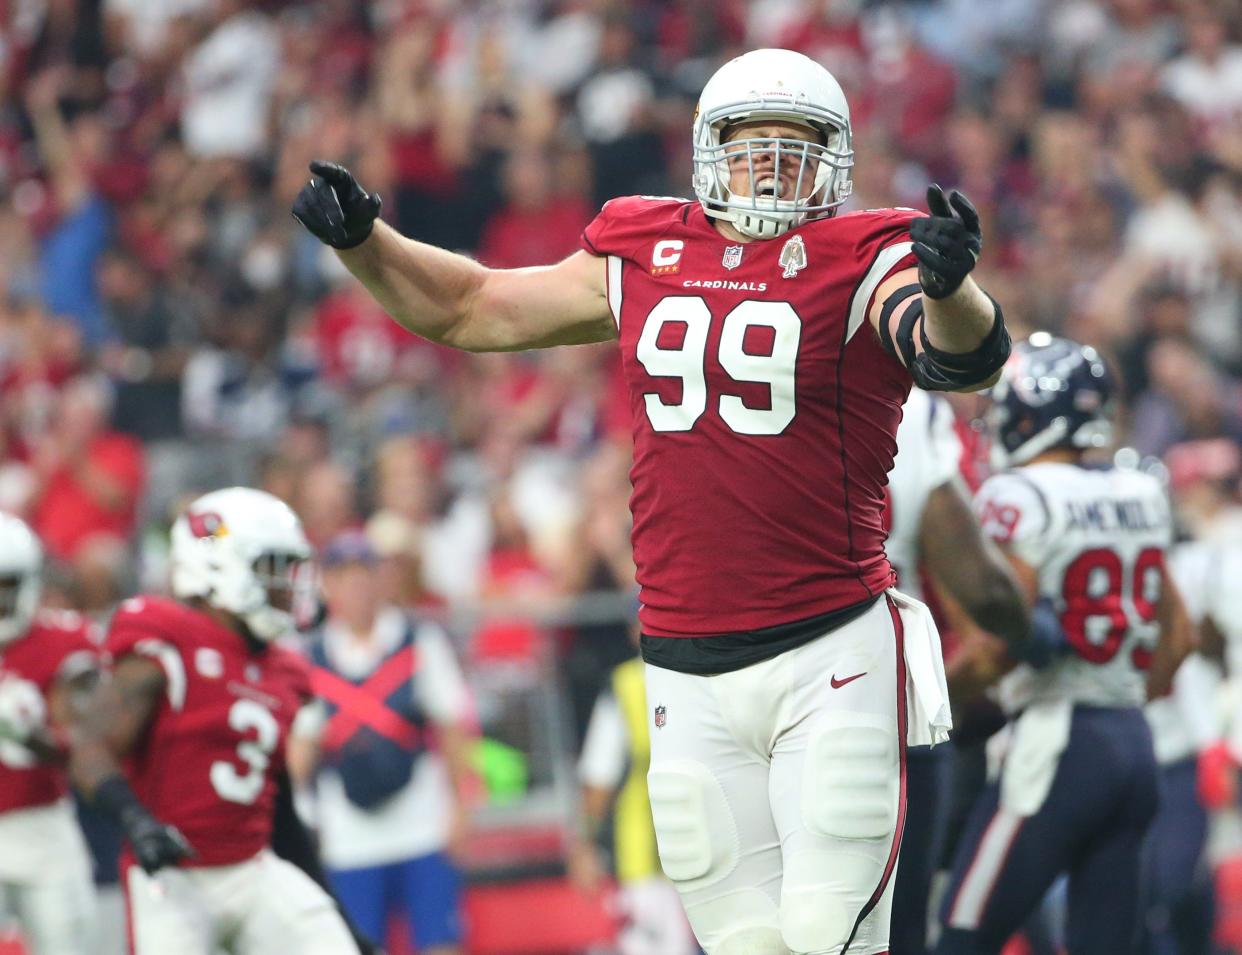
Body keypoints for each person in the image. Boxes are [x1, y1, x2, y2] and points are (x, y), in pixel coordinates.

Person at [294, 47, 1016, 955]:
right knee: (745, 942)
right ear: (710, 150)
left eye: (797, 144)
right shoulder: (644, 243)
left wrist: (956, 289)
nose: (773, 162)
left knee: (831, 933)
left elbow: (960, 355)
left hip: (829, 646)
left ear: (834, 160)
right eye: (754, 142)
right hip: (682, 662)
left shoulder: (867, 251)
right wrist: (368, 243)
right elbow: (472, 309)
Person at [936, 335, 1197, 955]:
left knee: (961, 933)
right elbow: (1177, 638)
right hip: (1135, 743)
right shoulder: (1139, 490)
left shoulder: (1016, 497)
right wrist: (1117, 690)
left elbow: (996, 645)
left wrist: (928, 711)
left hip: (1054, 741)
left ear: (1031, 410)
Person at [66, 487, 363, 955]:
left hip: (252, 867)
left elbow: (280, 810)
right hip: (172, 879)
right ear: (219, 565)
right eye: (273, 567)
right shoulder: (169, 639)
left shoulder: (282, 668)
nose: (288, 584)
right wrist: (137, 822)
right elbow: (90, 749)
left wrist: (347, 926)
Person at [882, 389, 1028, 955]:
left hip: (751, 683)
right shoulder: (917, 412)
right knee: (905, 929)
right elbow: (988, 613)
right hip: (892, 692)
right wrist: (1027, 627)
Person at [287, 531, 474, 955]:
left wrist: (461, 806)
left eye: (364, 574)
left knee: (442, 943)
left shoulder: (417, 641)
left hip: (423, 824)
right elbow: (302, 749)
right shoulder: (312, 657)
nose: (357, 587)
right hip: (350, 836)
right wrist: (294, 824)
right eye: (345, 577)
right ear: (328, 586)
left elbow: (452, 728)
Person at [0, 513, 99, 955]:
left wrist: (29, 734)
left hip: (43, 824)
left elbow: (89, 742)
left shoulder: (66, 640)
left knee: (67, 944)